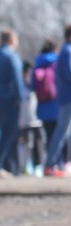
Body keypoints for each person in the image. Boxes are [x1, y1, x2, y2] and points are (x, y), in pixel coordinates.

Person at [0, 28, 26, 178]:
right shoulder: (11, 56)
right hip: (9, 99)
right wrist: (21, 98)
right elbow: (17, 79)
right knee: (9, 133)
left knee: (5, 132)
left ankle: (11, 167)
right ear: (11, 40)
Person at [43, 24, 71, 178]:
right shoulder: (67, 51)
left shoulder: (65, 51)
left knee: (64, 133)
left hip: (65, 98)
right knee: (61, 132)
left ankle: (56, 164)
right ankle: (49, 165)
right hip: (68, 98)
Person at [33, 40, 60, 166]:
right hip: (56, 104)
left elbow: (33, 85)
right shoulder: (56, 61)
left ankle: (50, 163)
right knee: (60, 136)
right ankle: (56, 163)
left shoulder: (38, 63)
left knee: (49, 136)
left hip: (42, 105)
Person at [17, 61, 45, 176]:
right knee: (25, 143)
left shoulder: (34, 86)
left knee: (38, 142)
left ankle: (37, 166)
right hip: (23, 121)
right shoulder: (19, 86)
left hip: (35, 120)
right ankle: (24, 166)